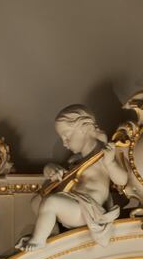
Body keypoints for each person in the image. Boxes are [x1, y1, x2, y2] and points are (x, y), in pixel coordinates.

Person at [17, 105, 128, 250]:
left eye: (67, 136)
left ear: (83, 128)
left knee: (51, 203)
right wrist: (50, 168)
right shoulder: (76, 159)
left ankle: (38, 240)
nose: (64, 143)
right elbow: (60, 176)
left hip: (89, 210)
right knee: (36, 202)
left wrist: (111, 163)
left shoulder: (104, 153)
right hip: (74, 202)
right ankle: (51, 232)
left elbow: (122, 180)